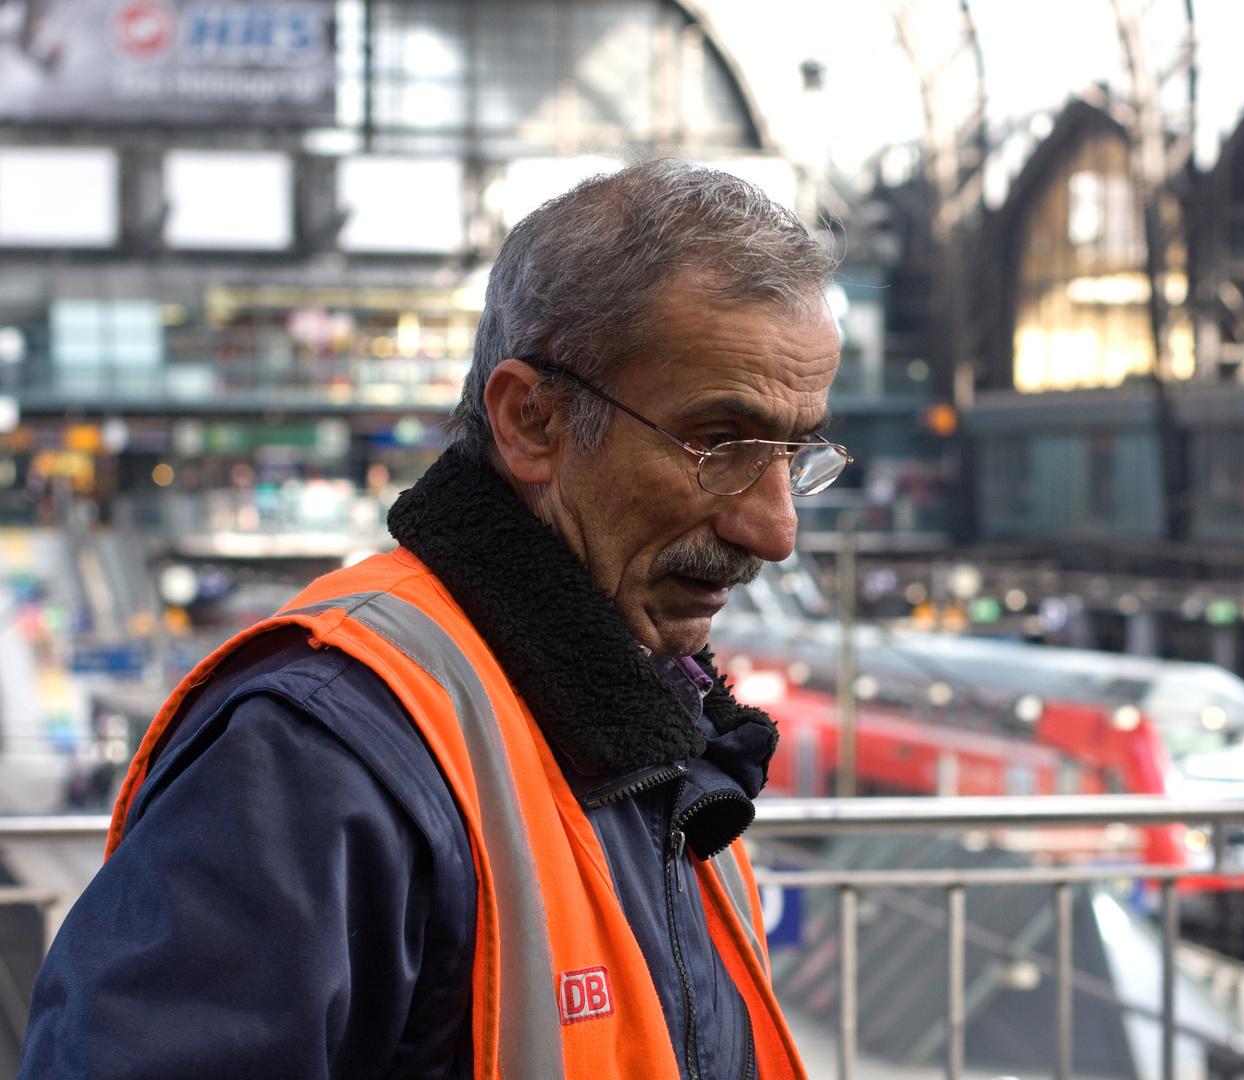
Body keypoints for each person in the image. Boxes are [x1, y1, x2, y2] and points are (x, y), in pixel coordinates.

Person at [19, 158, 850, 1080]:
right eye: (719, 445)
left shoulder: (652, 724)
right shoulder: (319, 750)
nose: (775, 529)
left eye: (796, 453)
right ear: (529, 421)